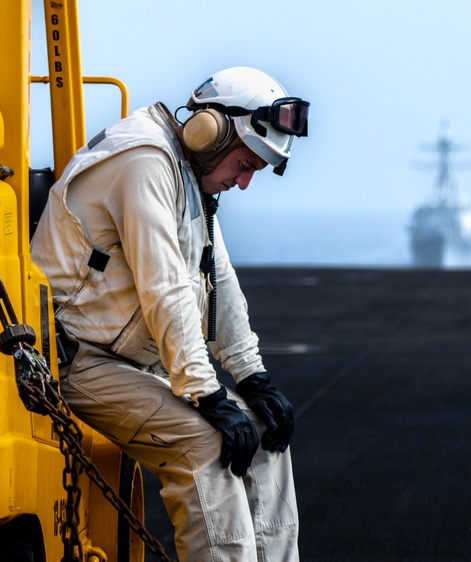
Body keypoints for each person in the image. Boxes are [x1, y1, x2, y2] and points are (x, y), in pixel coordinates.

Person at [31, 66, 309, 561]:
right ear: (211, 132)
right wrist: (205, 393)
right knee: (204, 447)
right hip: (75, 361)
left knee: (267, 438)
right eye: (244, 165)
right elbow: (166, 287)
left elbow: (217, 280)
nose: (243, 182)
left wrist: (252, 377)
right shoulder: (143, 161)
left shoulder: (191, 177)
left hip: (131, 364)